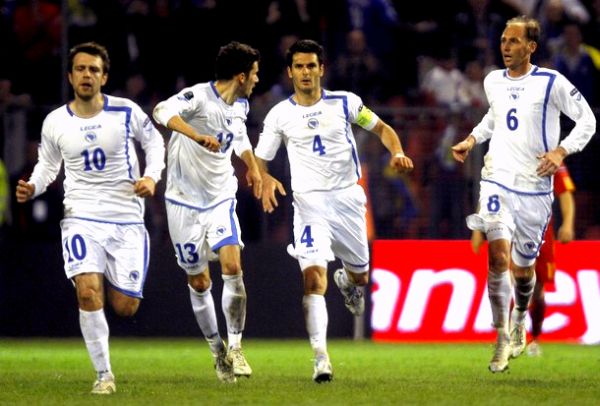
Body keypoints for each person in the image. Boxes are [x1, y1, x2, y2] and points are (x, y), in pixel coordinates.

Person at [254, 39, 414, 383]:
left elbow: (382, 128)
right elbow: (260, 159)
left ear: (321, 69)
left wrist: (397, 152)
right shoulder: (279, 114)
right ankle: (321, 358)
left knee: (360, 277)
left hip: (347, 200)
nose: (306, 72)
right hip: (309, 203)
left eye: (311, 65)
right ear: (290, 72)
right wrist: (263, 177)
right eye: (299, 66)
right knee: (313, 278)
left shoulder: (346, 103)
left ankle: (349, 280)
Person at [15, 42, 166, 394]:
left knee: (126, 306)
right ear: (70, 76)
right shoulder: (55, 121)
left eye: (93, 69)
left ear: (104, 76)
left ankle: (108, 348)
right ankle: (104, 375)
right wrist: (33, 187)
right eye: (81, 69)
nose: (87, 75)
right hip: (80, 217)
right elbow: (48, 166)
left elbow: (155, 142)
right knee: (87, 292)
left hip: (127, 219)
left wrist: (151, 177)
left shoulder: (126, 111)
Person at [451, 16, 595, 373]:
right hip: (496, 179)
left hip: (534, 190)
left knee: (524, 275)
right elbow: (493, 118)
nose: (506, 46)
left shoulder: (551, 83)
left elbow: (588, 119)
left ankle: (519, 318)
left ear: (531, 47)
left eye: (514, 41)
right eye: (503, 39)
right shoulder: (492, 80)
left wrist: (561, 151)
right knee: (498, 258)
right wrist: (472, 139)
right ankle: (500, 338)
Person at [152, 41, 262, 384]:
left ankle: (237, 346)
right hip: (182, 202)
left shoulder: (240, 104)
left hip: (220, 198)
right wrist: (196, 135)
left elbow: (239, 136)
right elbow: (160, 110)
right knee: (199, 280)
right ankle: (217, 352)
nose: (258, 80)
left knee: (232, 266)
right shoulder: (198, 97)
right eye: (255, 74)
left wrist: (252, 166)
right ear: (241, 75)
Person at [471, 163, 576, 356]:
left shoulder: (551, 158)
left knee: (537, 289)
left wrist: (568, 224)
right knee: (513, 281)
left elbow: (565, 194)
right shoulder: (506, 153)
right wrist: (478, 230)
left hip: (541, 230)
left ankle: (535, 339)